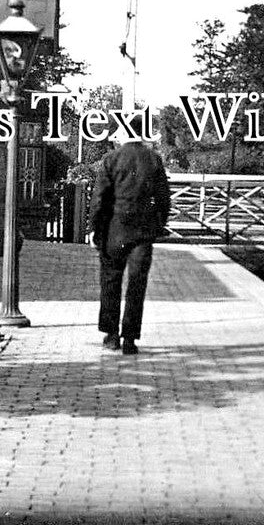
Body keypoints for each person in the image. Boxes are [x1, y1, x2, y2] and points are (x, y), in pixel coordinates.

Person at [88, 116, 171, 355]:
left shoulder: (111, 160)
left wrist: (94, 228)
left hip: (114, 230)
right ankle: (130, 339)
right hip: (143, 233)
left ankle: (111, 335)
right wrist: (159, 225)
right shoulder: (153, 159)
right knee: (137, 284)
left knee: (111, 281)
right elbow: (164, 198)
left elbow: (100, 198)